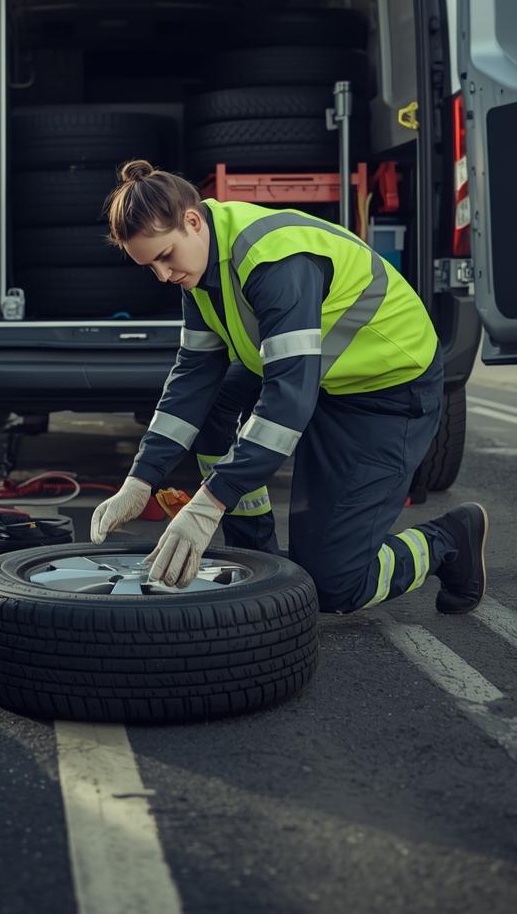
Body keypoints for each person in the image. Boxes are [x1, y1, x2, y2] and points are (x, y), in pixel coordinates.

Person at [90, 160, 488, 616]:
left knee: (334, 584)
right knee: (214, 403)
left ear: (193, 221)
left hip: (384, 390)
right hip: (317, 373)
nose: (163, 275)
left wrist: (208, 504)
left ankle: (448, 540)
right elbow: (194, 377)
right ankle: (256, 554)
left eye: (165, 256)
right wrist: (141, 479)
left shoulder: (274, 261)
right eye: (151, 267)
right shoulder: (199, 264)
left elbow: (287, 403)